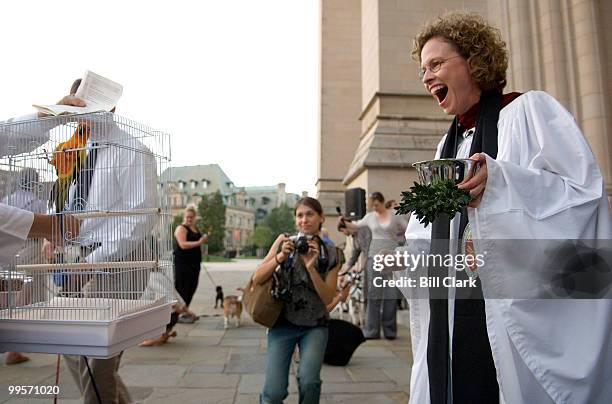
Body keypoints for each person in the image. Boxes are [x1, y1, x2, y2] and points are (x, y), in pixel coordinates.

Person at [398, 12, 612, 404]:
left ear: (474, 60)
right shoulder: (449, 146)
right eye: (422, 69)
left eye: (436, 64)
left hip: (513, 308)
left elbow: (585, 195)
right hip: (457, 308)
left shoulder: (530, 112)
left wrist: (502, 182)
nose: (426, 77)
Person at [46, 78, 158, 404]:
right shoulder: (74, 149)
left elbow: (140, 218)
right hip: (75, 257)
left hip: (120, 261)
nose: (79, 113)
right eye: (75, 105)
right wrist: (50, 234)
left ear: (110, 105)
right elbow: (64, 200)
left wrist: (91, 263)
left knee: (98, 361)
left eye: (88, 103)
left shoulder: (134, 150)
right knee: (70, 345)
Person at [254, 197, 343, 404]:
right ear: (295, 220)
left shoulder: (332, 253)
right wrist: (279, 258)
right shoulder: (284, 242)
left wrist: (311, 268)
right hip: (282, 323)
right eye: (300, 215)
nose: (304, 220)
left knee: (309, 380)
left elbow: (328, 296)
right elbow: (257, 278)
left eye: (310, 214)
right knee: (274, 391)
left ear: (321, 217)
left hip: (315, 325)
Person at [341, 192, 407, 339]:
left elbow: (408, 228)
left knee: (390, 294)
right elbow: (355, 225)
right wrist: (344, 222)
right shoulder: (370, 217)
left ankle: (390, 331)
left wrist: (404, 247)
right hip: (374, 258)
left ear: (382, 202)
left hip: (391, 257)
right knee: (373, 294)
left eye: (376, 204)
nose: (375, 207)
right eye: (372, 205)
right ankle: (372, 330)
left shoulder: (394, 215)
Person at [173, 204, 207, 323]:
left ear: (195, 217)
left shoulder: (195, 228)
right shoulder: (181, 228)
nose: (189, 219)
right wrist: (199, 242)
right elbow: (183, 244)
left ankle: (184, 311)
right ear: (184, 216)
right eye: (187, 217)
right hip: (183, 264)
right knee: (182, 289)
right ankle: (180, 313)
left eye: (191, 217)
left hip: (194, 264)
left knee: (191, 288)